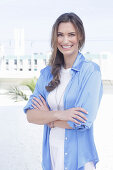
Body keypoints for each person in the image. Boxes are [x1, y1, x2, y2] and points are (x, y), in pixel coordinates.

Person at [24, 12, 103, 170]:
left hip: (79, 158)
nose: (65, 40)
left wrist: (48, 120)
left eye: (71, 34)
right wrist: (60, 114)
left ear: (80, 36)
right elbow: (31, 115)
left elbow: (83, 121)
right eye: (60, 35)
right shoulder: (47, 73)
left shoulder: (90, 71)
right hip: (52, 155)